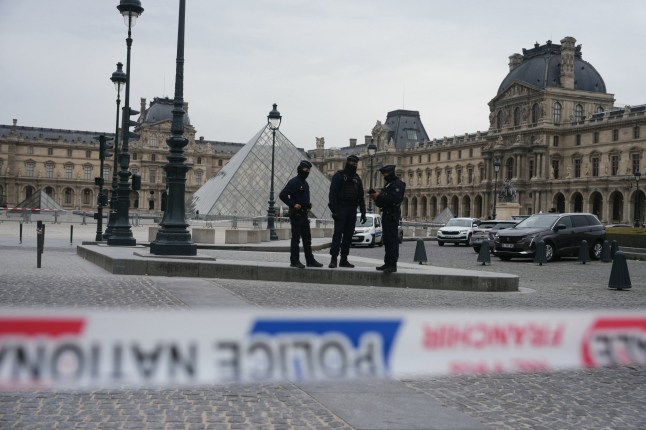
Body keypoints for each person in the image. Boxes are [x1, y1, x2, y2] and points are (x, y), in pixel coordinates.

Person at [279, 160, 323, 269]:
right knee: (296, 239)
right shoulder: (294, 182)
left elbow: (302, 198)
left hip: (304, 214)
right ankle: (294, 261)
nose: (307, 171)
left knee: (307, 239)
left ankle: (310, 260)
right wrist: (293, 205)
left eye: (308, 170)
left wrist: (308, 205)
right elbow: (282, 195)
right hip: (296, 215)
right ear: (300, 169)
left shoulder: (305, 183)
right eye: (305, 169)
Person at [328, 155, 367, 268]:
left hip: (352, 210)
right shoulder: (339, 176)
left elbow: (361, 197)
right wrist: (334, 210)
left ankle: (344, 259)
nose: (354, 166)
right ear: (347, 163)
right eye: (352, 163)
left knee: (348, 236)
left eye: (355, 164)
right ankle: (333, 259)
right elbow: (332, 194)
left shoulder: (357, 178)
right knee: (337, 235)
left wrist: (363, 212)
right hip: (341, 208)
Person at [369, 164, 406, 273]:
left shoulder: (398, 184)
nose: (384, 175)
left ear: (391, 173)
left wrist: (379, 196)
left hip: (393, 215)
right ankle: (387, 262)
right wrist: (376, 198)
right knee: (387, 240)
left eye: (385, 173)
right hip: (386, 214)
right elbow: (382, 202)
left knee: (392, 240)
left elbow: (393, 199)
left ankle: (392, 264)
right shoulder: (388, 185)